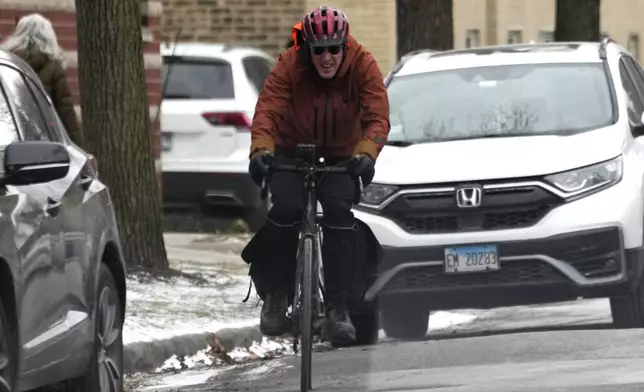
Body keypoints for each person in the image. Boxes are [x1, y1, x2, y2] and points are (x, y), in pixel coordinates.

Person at [247, 6, 390, 346]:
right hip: (291, 149)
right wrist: (261, 150)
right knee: (285, 211)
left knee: (341, 217)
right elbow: (268, 109)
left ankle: (339, 307)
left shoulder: (363, 64)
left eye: (334, 49)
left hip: (343, 154)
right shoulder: (289, 64)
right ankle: (277, 296)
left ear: (345, 46)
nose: (327, 57)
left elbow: (377, 117)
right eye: (318, 50)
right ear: (307, 48)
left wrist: (366, 155)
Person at [3, 13, 84, 148]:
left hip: (9, 133)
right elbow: (65, 109)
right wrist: (79, 145)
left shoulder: (7, 62)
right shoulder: (53, 66)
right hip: (43, 136)